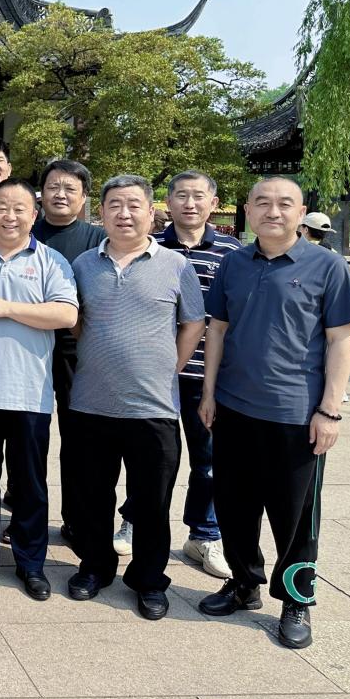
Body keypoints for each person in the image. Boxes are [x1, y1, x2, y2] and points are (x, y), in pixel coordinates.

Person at [197, 177, 350, 650]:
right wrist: (208, 393)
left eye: (285, 204)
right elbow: (217, 329)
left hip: (297, 415)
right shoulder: (233, 263)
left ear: (301, 212)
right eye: (263, 203)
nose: (273, 211)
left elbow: (340, 340)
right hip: (233, 408)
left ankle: (295, 599)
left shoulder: (327, 265)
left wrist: (330, 411)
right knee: (235, 506)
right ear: (247, 210)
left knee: (295, 517)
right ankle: (243, 583)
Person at [65, 174, 205, 620]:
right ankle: (94, 566)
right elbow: (77, 321)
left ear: (151, 212)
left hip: (154, 407)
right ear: (101, 212)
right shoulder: (83, 264)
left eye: (133, 205)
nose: (124, 214)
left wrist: (169, 367)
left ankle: (149, 579)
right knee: (92, 496)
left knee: (151, 502)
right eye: (114, 206)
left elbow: (194, 323)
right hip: (91, 403)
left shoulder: (176, 265)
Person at [113, 171, 241, 575]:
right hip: (153, 375)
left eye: (198, 196)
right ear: (166, 204)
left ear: (213, 203)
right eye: (181, 196)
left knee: (209, 459)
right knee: (147, 458)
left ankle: (204, 535)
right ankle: (134, 520)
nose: (190, 203)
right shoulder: (148, 244)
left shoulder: (232, 252)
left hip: (208, 375)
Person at [0, 179, 78, 598]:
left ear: (34, 214)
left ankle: (31, 563)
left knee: (29, 482)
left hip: (29, 391)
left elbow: (66, 315)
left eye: (19, 208)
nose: (10, 216)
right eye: (1, 208)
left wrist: (8, 309)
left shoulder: (51, 261)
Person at [30, 159, 105, 546]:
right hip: (28, 349)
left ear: (84, 197)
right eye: (53, 187)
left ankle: (76, 520)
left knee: (78, 441)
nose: (60, 195)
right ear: (41, 193)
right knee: (29, 438)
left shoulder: (97, 239)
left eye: (70, 189)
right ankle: (25, 517)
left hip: (78, 353)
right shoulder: (25, 230)